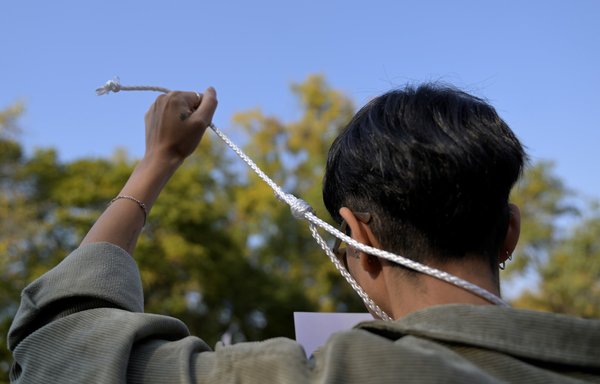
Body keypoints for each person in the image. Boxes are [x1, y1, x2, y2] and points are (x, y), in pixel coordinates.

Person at [8, 85, 600, 383]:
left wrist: (156, 163)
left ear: (356, 239)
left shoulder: (331, 374)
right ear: (510, 234)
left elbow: (57, 350)